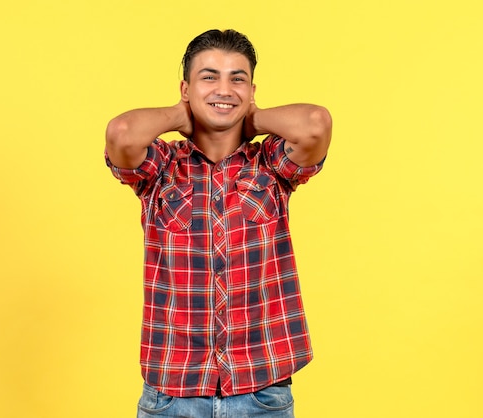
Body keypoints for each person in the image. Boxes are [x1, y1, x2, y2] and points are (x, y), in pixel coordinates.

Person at [105, 29, 332, 418]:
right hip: (172, 395)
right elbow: (122, 134)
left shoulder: (272, 165)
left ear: (252, 89)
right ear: (186, 87)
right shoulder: (161, 168)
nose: (223, 89)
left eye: (236, 79)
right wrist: (184, 113)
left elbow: (315, 124)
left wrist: (251, 118)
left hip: (262, 394)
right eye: (209, 77)